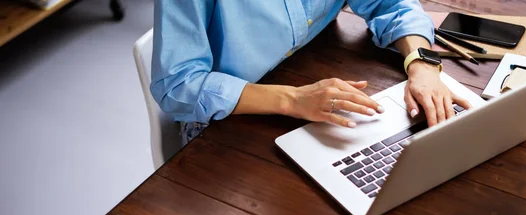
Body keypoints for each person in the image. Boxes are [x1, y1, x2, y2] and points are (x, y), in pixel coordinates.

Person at [151, 1, 471, 144]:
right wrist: (292, 99)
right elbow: (178, 85)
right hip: (224, 121)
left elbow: (392, 5)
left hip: (308, 76)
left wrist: (423, 65)